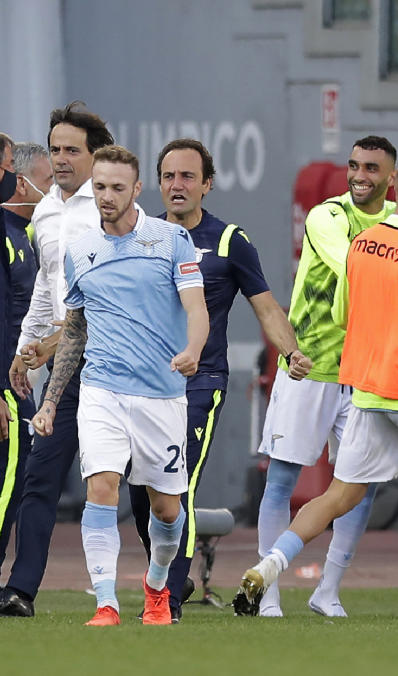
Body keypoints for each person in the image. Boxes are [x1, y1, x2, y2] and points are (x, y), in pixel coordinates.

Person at [234, 156, 398, 618]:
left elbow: (340, 315)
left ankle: (269, 567)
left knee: (339, 494)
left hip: (367, 392)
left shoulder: (364, 246)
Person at [125, 138, 311, 622]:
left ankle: (165, 601)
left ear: (207, 184)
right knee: (139, 490)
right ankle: (173, 575)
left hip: (199, 382)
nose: (177, 185)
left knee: (178, 486)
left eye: (188, 176)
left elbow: (266, 306)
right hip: (141, 381)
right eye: (169, 176)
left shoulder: (230, 241)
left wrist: (290, 351)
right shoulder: (138, 235)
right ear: (156, 184)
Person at [31, 145, 209, 625]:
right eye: (100, 187)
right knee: (102, 486)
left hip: (162, 394)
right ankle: (106, 603)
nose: (106, 196)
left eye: (116, 187)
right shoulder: (81, 249)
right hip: (102, 390)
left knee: (167, 510)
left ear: (137, 189)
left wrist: (193, 349)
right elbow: (75, 328)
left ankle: (155, 589)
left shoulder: (172, 240)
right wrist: (50, 402)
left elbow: (196, 307)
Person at [254, 136, 397, 617]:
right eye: (354, 166)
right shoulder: (326, 216)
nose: (360, 176)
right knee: (281, 481)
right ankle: (268, 591)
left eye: (371, 168)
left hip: (364, 374)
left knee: (361, 485)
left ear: (390, 177)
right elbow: (353, 267)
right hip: (308, 367)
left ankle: (328, 590)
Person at [0, 102, 113, 618]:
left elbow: (110, 295)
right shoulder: (44, 213)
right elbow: (46, 292)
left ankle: (165, 588)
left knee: (145, 487)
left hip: (118, 364)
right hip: (66, 368)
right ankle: (21, 590)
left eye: (72, 150)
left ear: (96, 156)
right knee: (40, 478)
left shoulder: (115, 208)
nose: (61, 159)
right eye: (55, 149)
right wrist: (28, 352)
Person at [0, 143, 51, 575]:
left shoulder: (28, 236)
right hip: (5, 388)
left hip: (16, 381)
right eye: (48, 181)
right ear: (22, 181)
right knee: (8, 484)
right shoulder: (4, 234)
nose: (52, 191)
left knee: (13, 484)